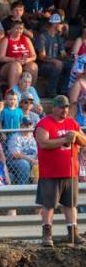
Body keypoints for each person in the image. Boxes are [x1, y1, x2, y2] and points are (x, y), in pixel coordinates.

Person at [35, 94, 86, 246]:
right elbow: (43, 143)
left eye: (66, 107)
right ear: (53, 107)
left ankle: (73, 233)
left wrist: (76, 135)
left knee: (71, 204)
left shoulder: (72, 123)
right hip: (50, 172)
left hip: (70, 171)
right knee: (49, 204)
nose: (64, 110)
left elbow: (84, 141)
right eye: (61, 106)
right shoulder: (44, 124)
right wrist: (64, 140)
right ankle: (47, 234)